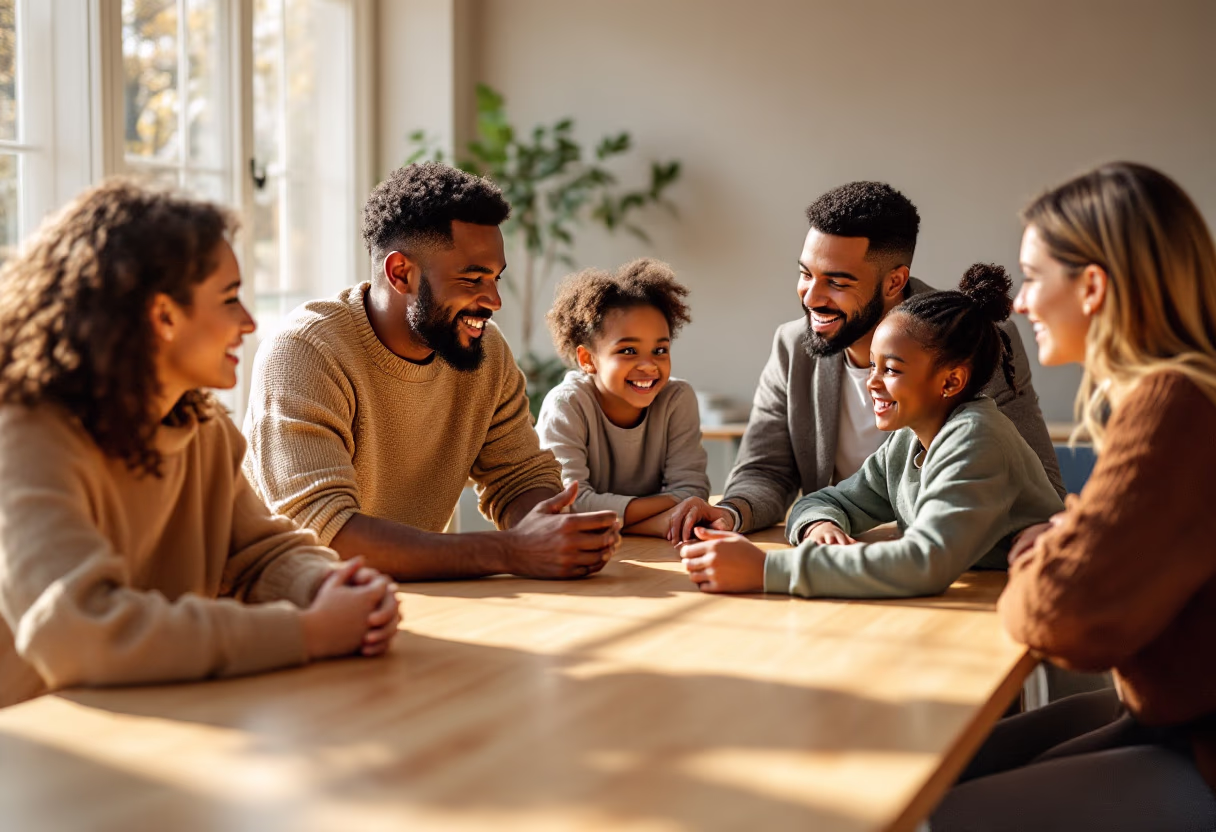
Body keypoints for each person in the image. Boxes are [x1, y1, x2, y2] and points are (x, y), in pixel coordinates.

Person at [0, 180, 400, 709]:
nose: (249, 323)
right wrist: (306, 633)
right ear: (164, 316)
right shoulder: (25, 434)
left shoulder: (202, 426)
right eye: (230, 299)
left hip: (157, 722)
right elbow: (78, 631)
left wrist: (329, 586)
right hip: (33, 740)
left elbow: (260, 554)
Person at [930, 162, 1216, 830]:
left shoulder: (1172, 405)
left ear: (1091, 287)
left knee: (931, 816)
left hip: (1197, 746)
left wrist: (1044, 557)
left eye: (1032, 278)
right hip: (1166, 714)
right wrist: (1066, 545)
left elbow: (1063, 616)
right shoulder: (1176, 397)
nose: (1020, 303)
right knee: (942, 769)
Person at [242, 162, 621, 582]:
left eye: (495, 278)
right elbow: (324, 534)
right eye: (473, 279)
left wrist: (555, 531)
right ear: (400, 273)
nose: (494, 300)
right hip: (286, 605)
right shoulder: (305, 352)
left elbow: (519, 477)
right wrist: (511, 551)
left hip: (410, 598)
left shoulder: (485, 351)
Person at [667, 182, 1064, 543]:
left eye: (837, 282)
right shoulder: (792, 346)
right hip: (839, 554)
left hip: (953, 565)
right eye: (806, 274)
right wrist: (730, 513)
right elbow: (765, 470)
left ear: (894, 282)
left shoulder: (970, 340)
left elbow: (1040, 487)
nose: (811, 297)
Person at [680, 264, 1063, 596]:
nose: (872, 383)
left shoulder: (977, 438)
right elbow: (826, 500)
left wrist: (765, 570)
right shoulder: (907, 441)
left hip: (1034, 611)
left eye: (891, 370)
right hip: (980, 599)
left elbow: (925, 562)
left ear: (950, 382)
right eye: (873, 366)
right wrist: (820, 525)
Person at [537, 259, 710, 538]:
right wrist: (659, 521)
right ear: (587, 359)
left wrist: (624, 519)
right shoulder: (566, 404)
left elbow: (694, 493)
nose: (649, 366)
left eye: (660, 350)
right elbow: (568, 504)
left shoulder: (677, 399)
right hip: (581, 551)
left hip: (654, 549)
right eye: (628, 351)